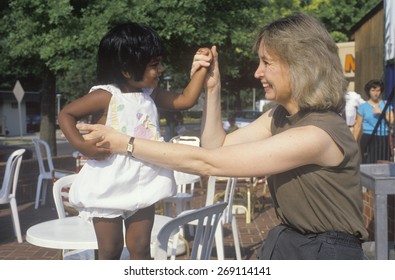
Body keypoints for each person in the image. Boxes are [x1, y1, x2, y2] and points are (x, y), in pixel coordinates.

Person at [77, 12, 368, 260]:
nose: (257, 72)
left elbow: (209, 162)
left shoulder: (316, 134)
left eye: (267, 62)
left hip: (325, 253)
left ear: (300, 65)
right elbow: (217, 144)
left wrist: (123, 142)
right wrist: (212, 87)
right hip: (293, 242)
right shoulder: (281, 117)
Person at [58, 22, 211, 260]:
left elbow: (185, 100)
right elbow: (66, 114)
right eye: (153, 65)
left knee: (140, 248)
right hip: (108, 184)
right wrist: (81, 145)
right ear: (127, 71)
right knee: (110, 250)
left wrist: (201, 67)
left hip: (142, 181)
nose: (161, 69)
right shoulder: (106, 95)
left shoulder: (149, 95)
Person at [353, 79, 394, 163]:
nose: (376, 93)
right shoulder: (363, 107)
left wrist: (381, 112)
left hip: (384, 138)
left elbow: (392, 121)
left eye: (378, 90)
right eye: (373, 90)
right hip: (368, 137)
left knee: (384, 164)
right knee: (368, 163)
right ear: (369, 91)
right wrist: (353, 142)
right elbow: (358, 125)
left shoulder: (386, 104)